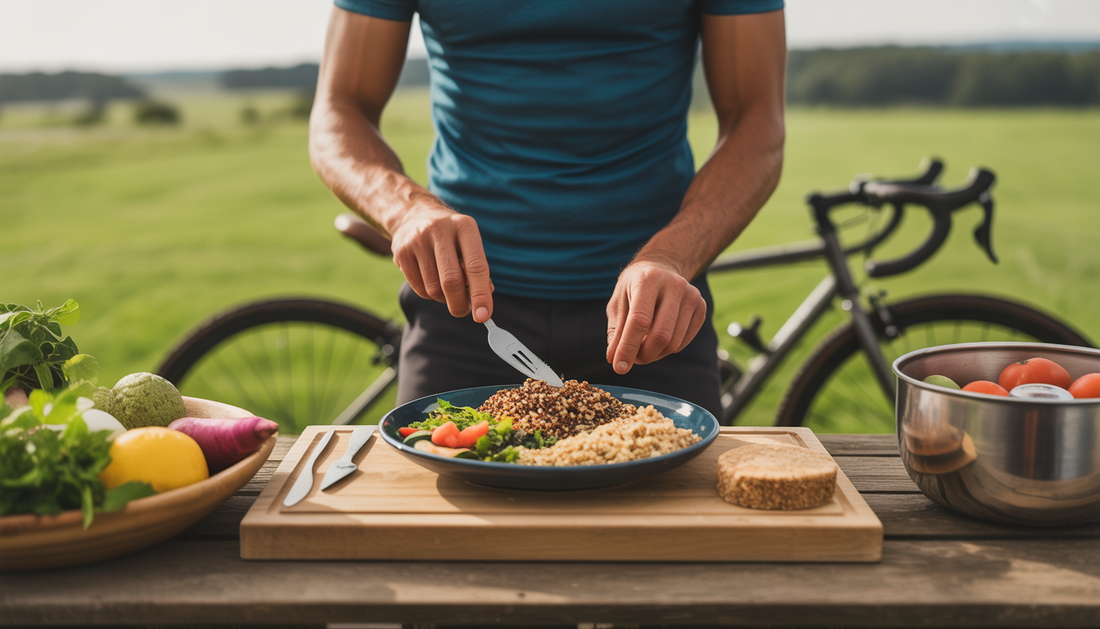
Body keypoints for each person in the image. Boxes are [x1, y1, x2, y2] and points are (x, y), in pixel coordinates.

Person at [309, 0, 787, 418]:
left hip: (654, 316)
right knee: (431, 494)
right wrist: (407, 209)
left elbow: (757, 120)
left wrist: (670, 257)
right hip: (465, 310)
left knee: (681, 495)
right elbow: (339, 110)